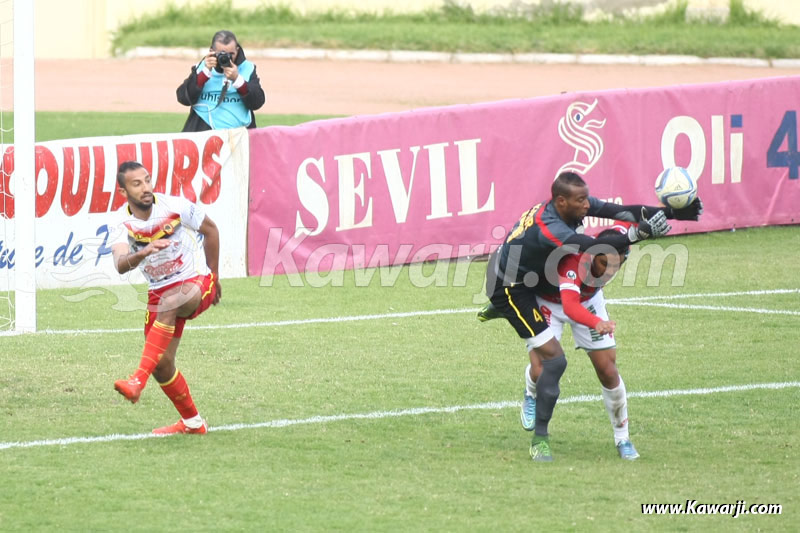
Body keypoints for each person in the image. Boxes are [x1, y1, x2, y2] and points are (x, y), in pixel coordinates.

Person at [478, 171, 703, 461]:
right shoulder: (550, 229)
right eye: (581, 200)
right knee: (551, 364)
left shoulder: (570, 206)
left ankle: (621, 439)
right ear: (561, 201)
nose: (587, 206)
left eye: (586, 199)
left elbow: (615, 211)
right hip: (515, 286)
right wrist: (636, 235)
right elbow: (587, 246)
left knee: (606, 369)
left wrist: (672, 212)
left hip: (542, 280)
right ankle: (539, 432)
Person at [110, 160, 221, 435]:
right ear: (123, 192)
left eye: (147, 180)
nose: (146, 188)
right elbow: (121, 263)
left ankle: (137, 380)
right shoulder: (119, 222)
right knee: (162, 365)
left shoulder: (175, 206)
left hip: (194, 281)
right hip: (158, 294)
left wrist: (215, 276)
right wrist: (142, 253)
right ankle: (194, 423)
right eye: (137, 184)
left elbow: (211, 230)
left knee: (170, 302)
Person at [523, 226, 639, 460]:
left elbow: (635, 223)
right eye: (604, 265)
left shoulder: (616, 243)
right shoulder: (573, 261)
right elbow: (570, 305)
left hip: (589, 301)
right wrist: (596, 323)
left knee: (608, 370)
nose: (608, 272)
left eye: (616, 266)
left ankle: (622, 437)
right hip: (551, 303)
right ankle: (530, 393)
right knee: (542, 369)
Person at [176, 30, 266, 132]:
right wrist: (204, 74)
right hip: (203, 131)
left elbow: (257, 102)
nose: (226, 58)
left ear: (237, 50)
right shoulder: (200, 68)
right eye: (221, 54)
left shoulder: (247, 68)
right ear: (211, 51)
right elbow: (183, 98)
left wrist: (238, 80)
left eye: (231, 54)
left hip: (239, 134)